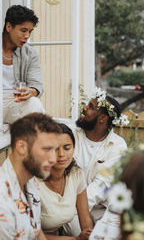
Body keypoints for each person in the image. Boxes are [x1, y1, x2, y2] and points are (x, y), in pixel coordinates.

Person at [0, 113, 63, 240]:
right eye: (47, 149)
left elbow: (36, 233)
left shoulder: (31, 181)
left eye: (54, 150)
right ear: (21, 147)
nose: (53, 159)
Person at [65, 88, 128, 234]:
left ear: (103, 119)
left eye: (91, 107)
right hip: (72, 207)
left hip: (104, 209)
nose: (85, 108)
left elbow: (102, 185)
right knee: (79, 234)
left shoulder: (117, 146)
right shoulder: (71, 136)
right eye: (88, 104)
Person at [0, 5, 45, 128]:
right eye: (23, 30)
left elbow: (36, 85)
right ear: (8, 27)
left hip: (15, 103)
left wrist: (31, 91)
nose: (27, 36)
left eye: (30, 31)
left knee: (35, 105)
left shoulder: (30, 54)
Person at [37, 123, 93, 239]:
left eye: (67, 148)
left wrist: (89, 236)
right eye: (55, 149)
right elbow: (32, 234)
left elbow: (86, 220)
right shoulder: (33, 182)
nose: (61, 154)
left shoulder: (76, 174)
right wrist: (75, 239)